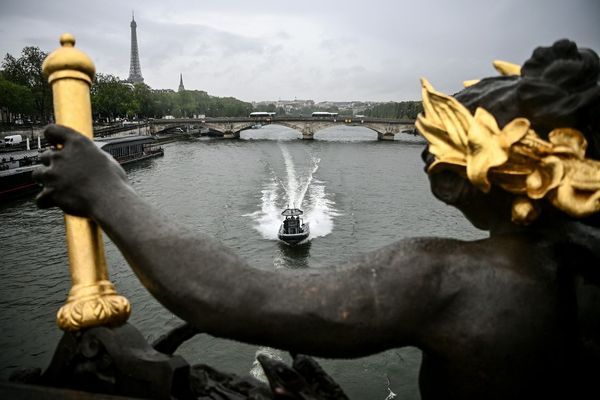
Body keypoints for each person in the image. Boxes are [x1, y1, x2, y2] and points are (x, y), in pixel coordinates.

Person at [33, 40, 600, 399]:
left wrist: (107, 190)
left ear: (497, 168)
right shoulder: (576, 270)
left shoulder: (452, 277)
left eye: (439, 145)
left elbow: (230, 298)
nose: (428, 161)